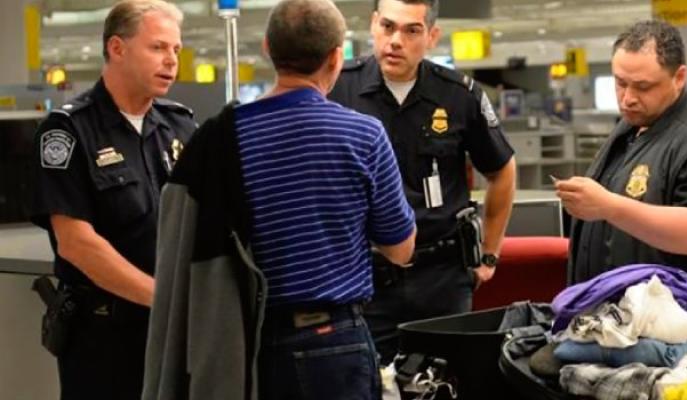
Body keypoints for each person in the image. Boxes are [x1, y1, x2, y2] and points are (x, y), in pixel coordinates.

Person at [142, 1, 416, 399]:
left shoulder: (224, 138)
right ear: (335, 58)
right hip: (337, 343)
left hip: (250, 346)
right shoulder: (364, 135)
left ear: (267, 48)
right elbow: (401, 248)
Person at [555, 20, 687, 351]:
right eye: (620, 83)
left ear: (679, 77)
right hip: (626, 332)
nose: (628, 98)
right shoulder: (635, 128)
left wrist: (608, 206)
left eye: (643, 86)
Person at [328, 0, 516, 363]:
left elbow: (502, 170)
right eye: (387, 26)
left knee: (448, 379)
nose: (396, 40)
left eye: (412, 30)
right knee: (367, 380)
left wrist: (489, 254)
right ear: (373, 25)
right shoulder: (339, 90)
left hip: (442, 275)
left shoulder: (459, 95)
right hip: (364, 275)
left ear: (432, 36)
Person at [29, 1, 195, 399]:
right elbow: (76, 243)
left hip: (175, 333)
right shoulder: (68, 131)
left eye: (176, 49)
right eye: (158, 47)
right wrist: (163, 299)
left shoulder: (180, 126)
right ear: (117, 48)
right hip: (103, 336)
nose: (171, 60)